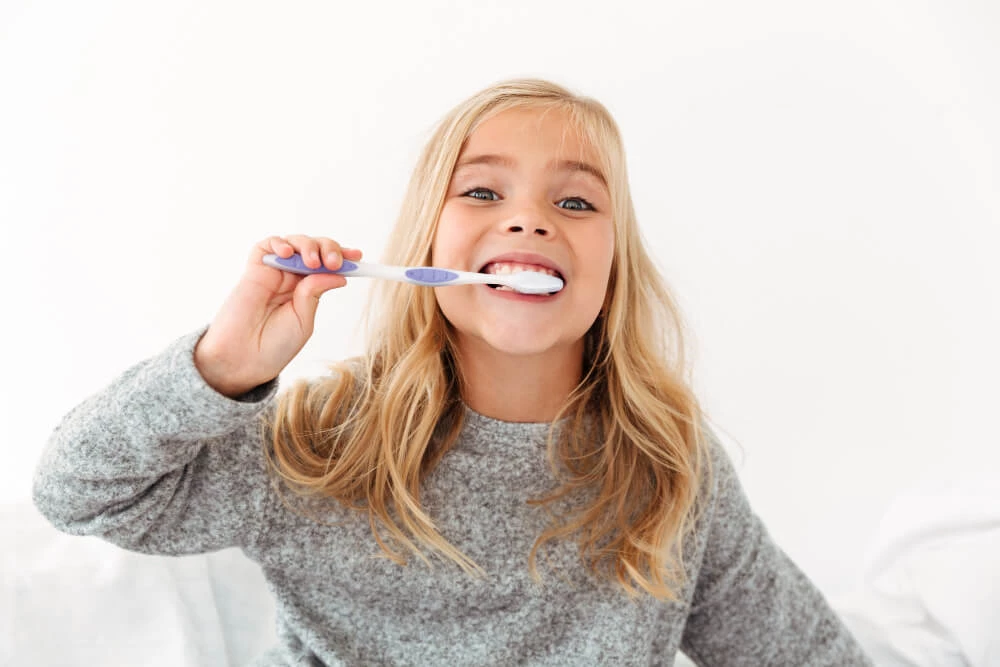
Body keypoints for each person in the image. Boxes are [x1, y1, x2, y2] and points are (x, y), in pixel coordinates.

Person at [33, 78, 873, 666]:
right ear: (427, 250)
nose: (529, 219)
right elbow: (77, 491)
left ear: (613, 270)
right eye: (481, 193)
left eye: (575, 202)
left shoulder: (671, 473)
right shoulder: (321, 447)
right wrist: (218, 368)